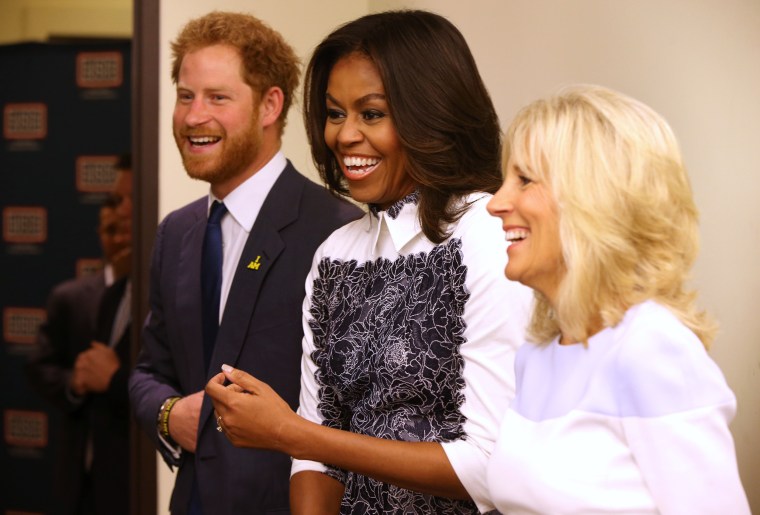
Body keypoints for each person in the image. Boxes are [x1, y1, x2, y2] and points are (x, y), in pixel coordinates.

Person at [206, 10, 532, 514]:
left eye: (371, 114)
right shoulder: (336, 254)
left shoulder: (487, 235)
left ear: (431, 112)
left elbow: (490, 468)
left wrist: (291, 433)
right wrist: (302, 439)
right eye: (335, 114)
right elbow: (318, 451)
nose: (344, 136)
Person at [127, 11, 362, 515]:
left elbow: (355, 412)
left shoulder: (338, 231)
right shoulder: (176, 233)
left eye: (217, 97)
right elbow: (148, 372)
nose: (193, 117)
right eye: (186, 96)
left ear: (269, 105)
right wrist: (170, 415)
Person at [483, 84, 750, 513]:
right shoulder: (536, 354)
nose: (496, 203)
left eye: (525, 180)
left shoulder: (650, 346)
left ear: (593, 199)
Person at [25, 153, 134, 515]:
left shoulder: (154, 296)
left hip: (133, 471)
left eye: (125, 223)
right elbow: (39, 367)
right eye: (110, 230)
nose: (119, 234)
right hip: (79, 470)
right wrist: (77, 382)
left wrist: (114, 379)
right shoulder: (69, 297)